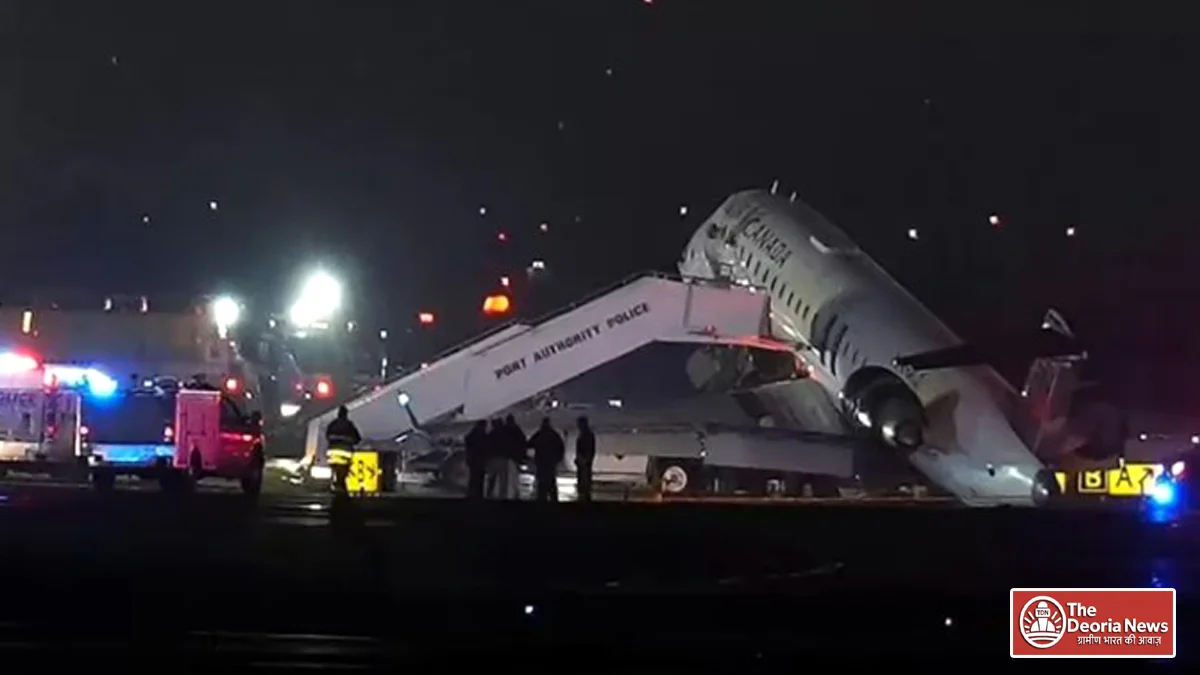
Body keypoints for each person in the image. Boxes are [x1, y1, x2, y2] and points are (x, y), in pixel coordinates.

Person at [325, 406, 361, 495]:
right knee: (343, 473)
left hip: (332, 454)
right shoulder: (349, 425)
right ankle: (341, 490)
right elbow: (357, 439)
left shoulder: (332, 424)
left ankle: (336, 487)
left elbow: (327, 436)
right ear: (346, 414)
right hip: (345, 453)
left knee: (336, 471)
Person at [528, 417, 564, 502]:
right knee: (551, 483)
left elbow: (529, 444)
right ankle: (554, 500)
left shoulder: (539, 434)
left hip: (541, 463)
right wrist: (558, 459)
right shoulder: (554, 435)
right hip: (551, 463)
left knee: (542, 485)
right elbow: (561, 447)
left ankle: (542, 500)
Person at [501, 415, 527, 500]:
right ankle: (514, 495)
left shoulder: (503, 430)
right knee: (513, 478)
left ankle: (504, 494)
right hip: (514, 458)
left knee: (504, 479)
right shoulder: (517, 430)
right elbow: (522, 442)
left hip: (504, 457)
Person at [463, 420, 489, 500]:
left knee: (473, 478)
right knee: (479, 478)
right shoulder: (482, 435)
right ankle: (478, 495)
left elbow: (467, 439)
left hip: (473, 459)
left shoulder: (473, 433)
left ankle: (472, 494)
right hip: (479, 460)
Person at [484, 418, 508, 498]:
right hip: (502, 458)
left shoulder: (491, 434)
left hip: (492, 458)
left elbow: (486, 445)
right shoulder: (505, 435)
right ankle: (502, 495)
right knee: (503, 479)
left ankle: (489, 494)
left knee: (491, 478)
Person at [574, 416, 596, 502]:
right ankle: (584, 496)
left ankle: (584, 498)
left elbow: (588, 449)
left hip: (584, 461)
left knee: (584, 480)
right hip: (584, 461)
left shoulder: (585, 435)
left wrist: (584, 459)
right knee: (584, 480)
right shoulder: (587, 435)